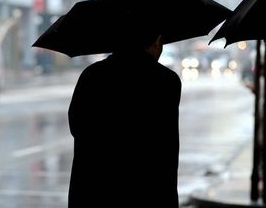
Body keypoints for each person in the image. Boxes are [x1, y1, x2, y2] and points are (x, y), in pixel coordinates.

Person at [67, 32, 182, 207]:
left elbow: (76, 126)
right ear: (157, 42)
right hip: (150, 192)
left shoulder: (91, 76)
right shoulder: (167, 80)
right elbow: (167, 141)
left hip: (94, 190)